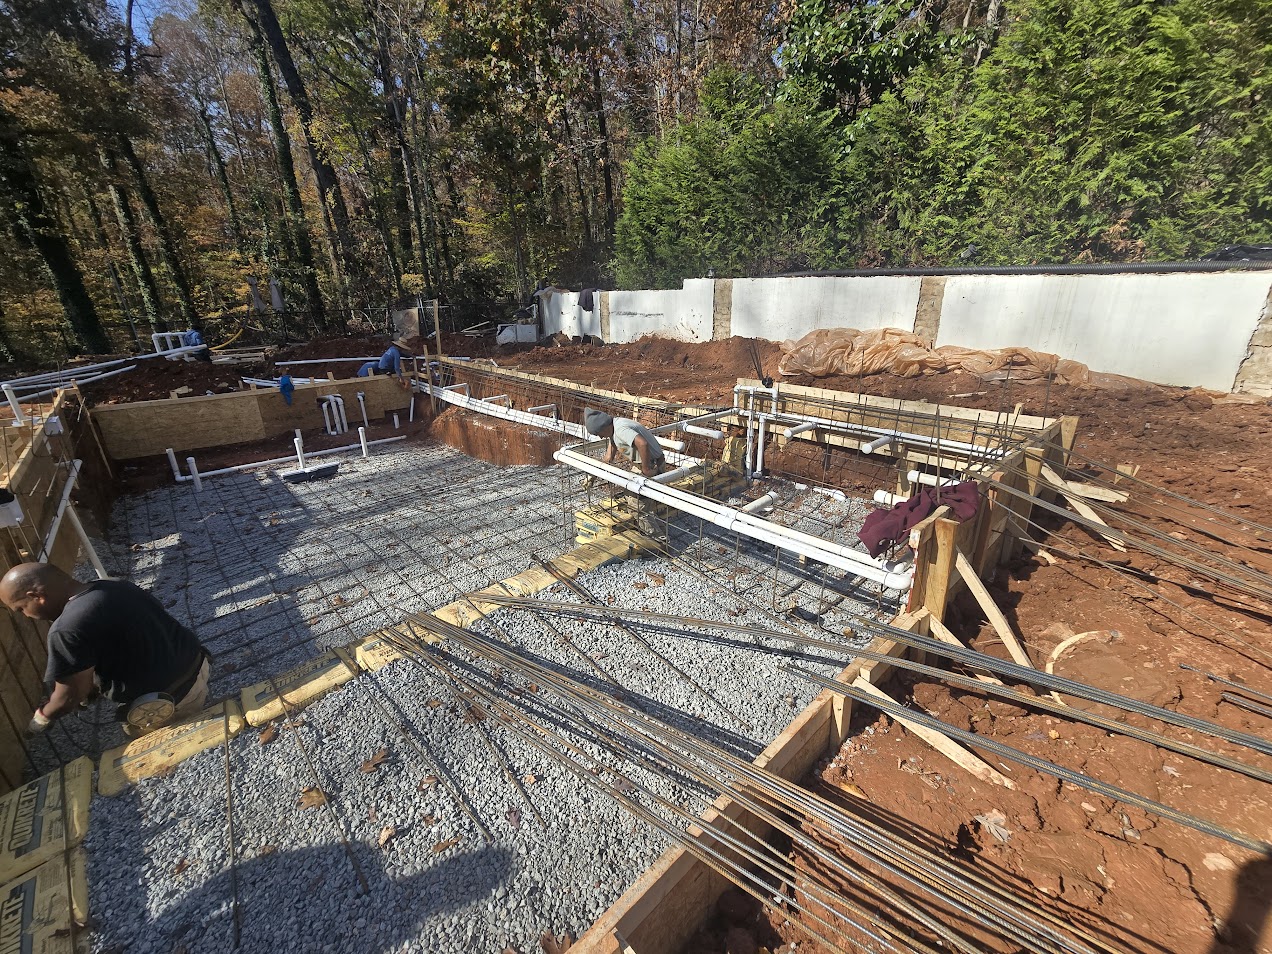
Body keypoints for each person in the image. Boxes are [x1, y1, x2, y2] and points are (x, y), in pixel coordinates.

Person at [0, 564, 210, 736]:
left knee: (144, 748)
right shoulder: (112, 585)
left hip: (169, 702)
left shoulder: (65, 629)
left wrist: (41, 718)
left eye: (21, 609)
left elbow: (69, 697)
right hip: (197, 665)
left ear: (37, 596)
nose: (26, 616)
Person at [583, 408, 666, 477]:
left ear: (604, 427)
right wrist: (593, 476)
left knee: (636, 493)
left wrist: (646, 469)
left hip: (653, 464)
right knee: (634, 492)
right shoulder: (613, 430)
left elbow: (642, 444)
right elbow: (608, 458)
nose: (601, 437)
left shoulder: (620, 430)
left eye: (599, 434)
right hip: (644, 463)